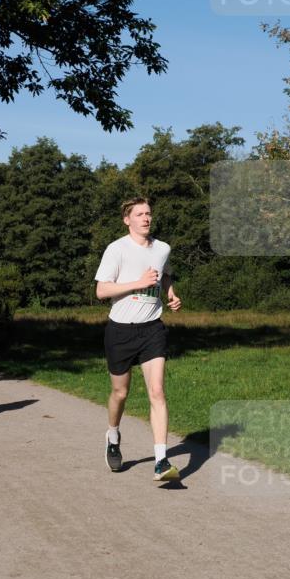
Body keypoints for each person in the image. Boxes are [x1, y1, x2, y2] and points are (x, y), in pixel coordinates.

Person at [95, 197, 182, 481]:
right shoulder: (116, 249)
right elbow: (101, 291)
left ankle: (161, 461)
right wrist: (139, 283)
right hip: (120, 330)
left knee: (157, 392)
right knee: (120, 393)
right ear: (127, 220)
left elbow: (164, 275)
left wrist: (171, 293)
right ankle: (113, 435)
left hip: (152, 329)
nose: (146, 218)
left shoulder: (162, 248)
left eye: (149, 213)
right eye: (140, 214)